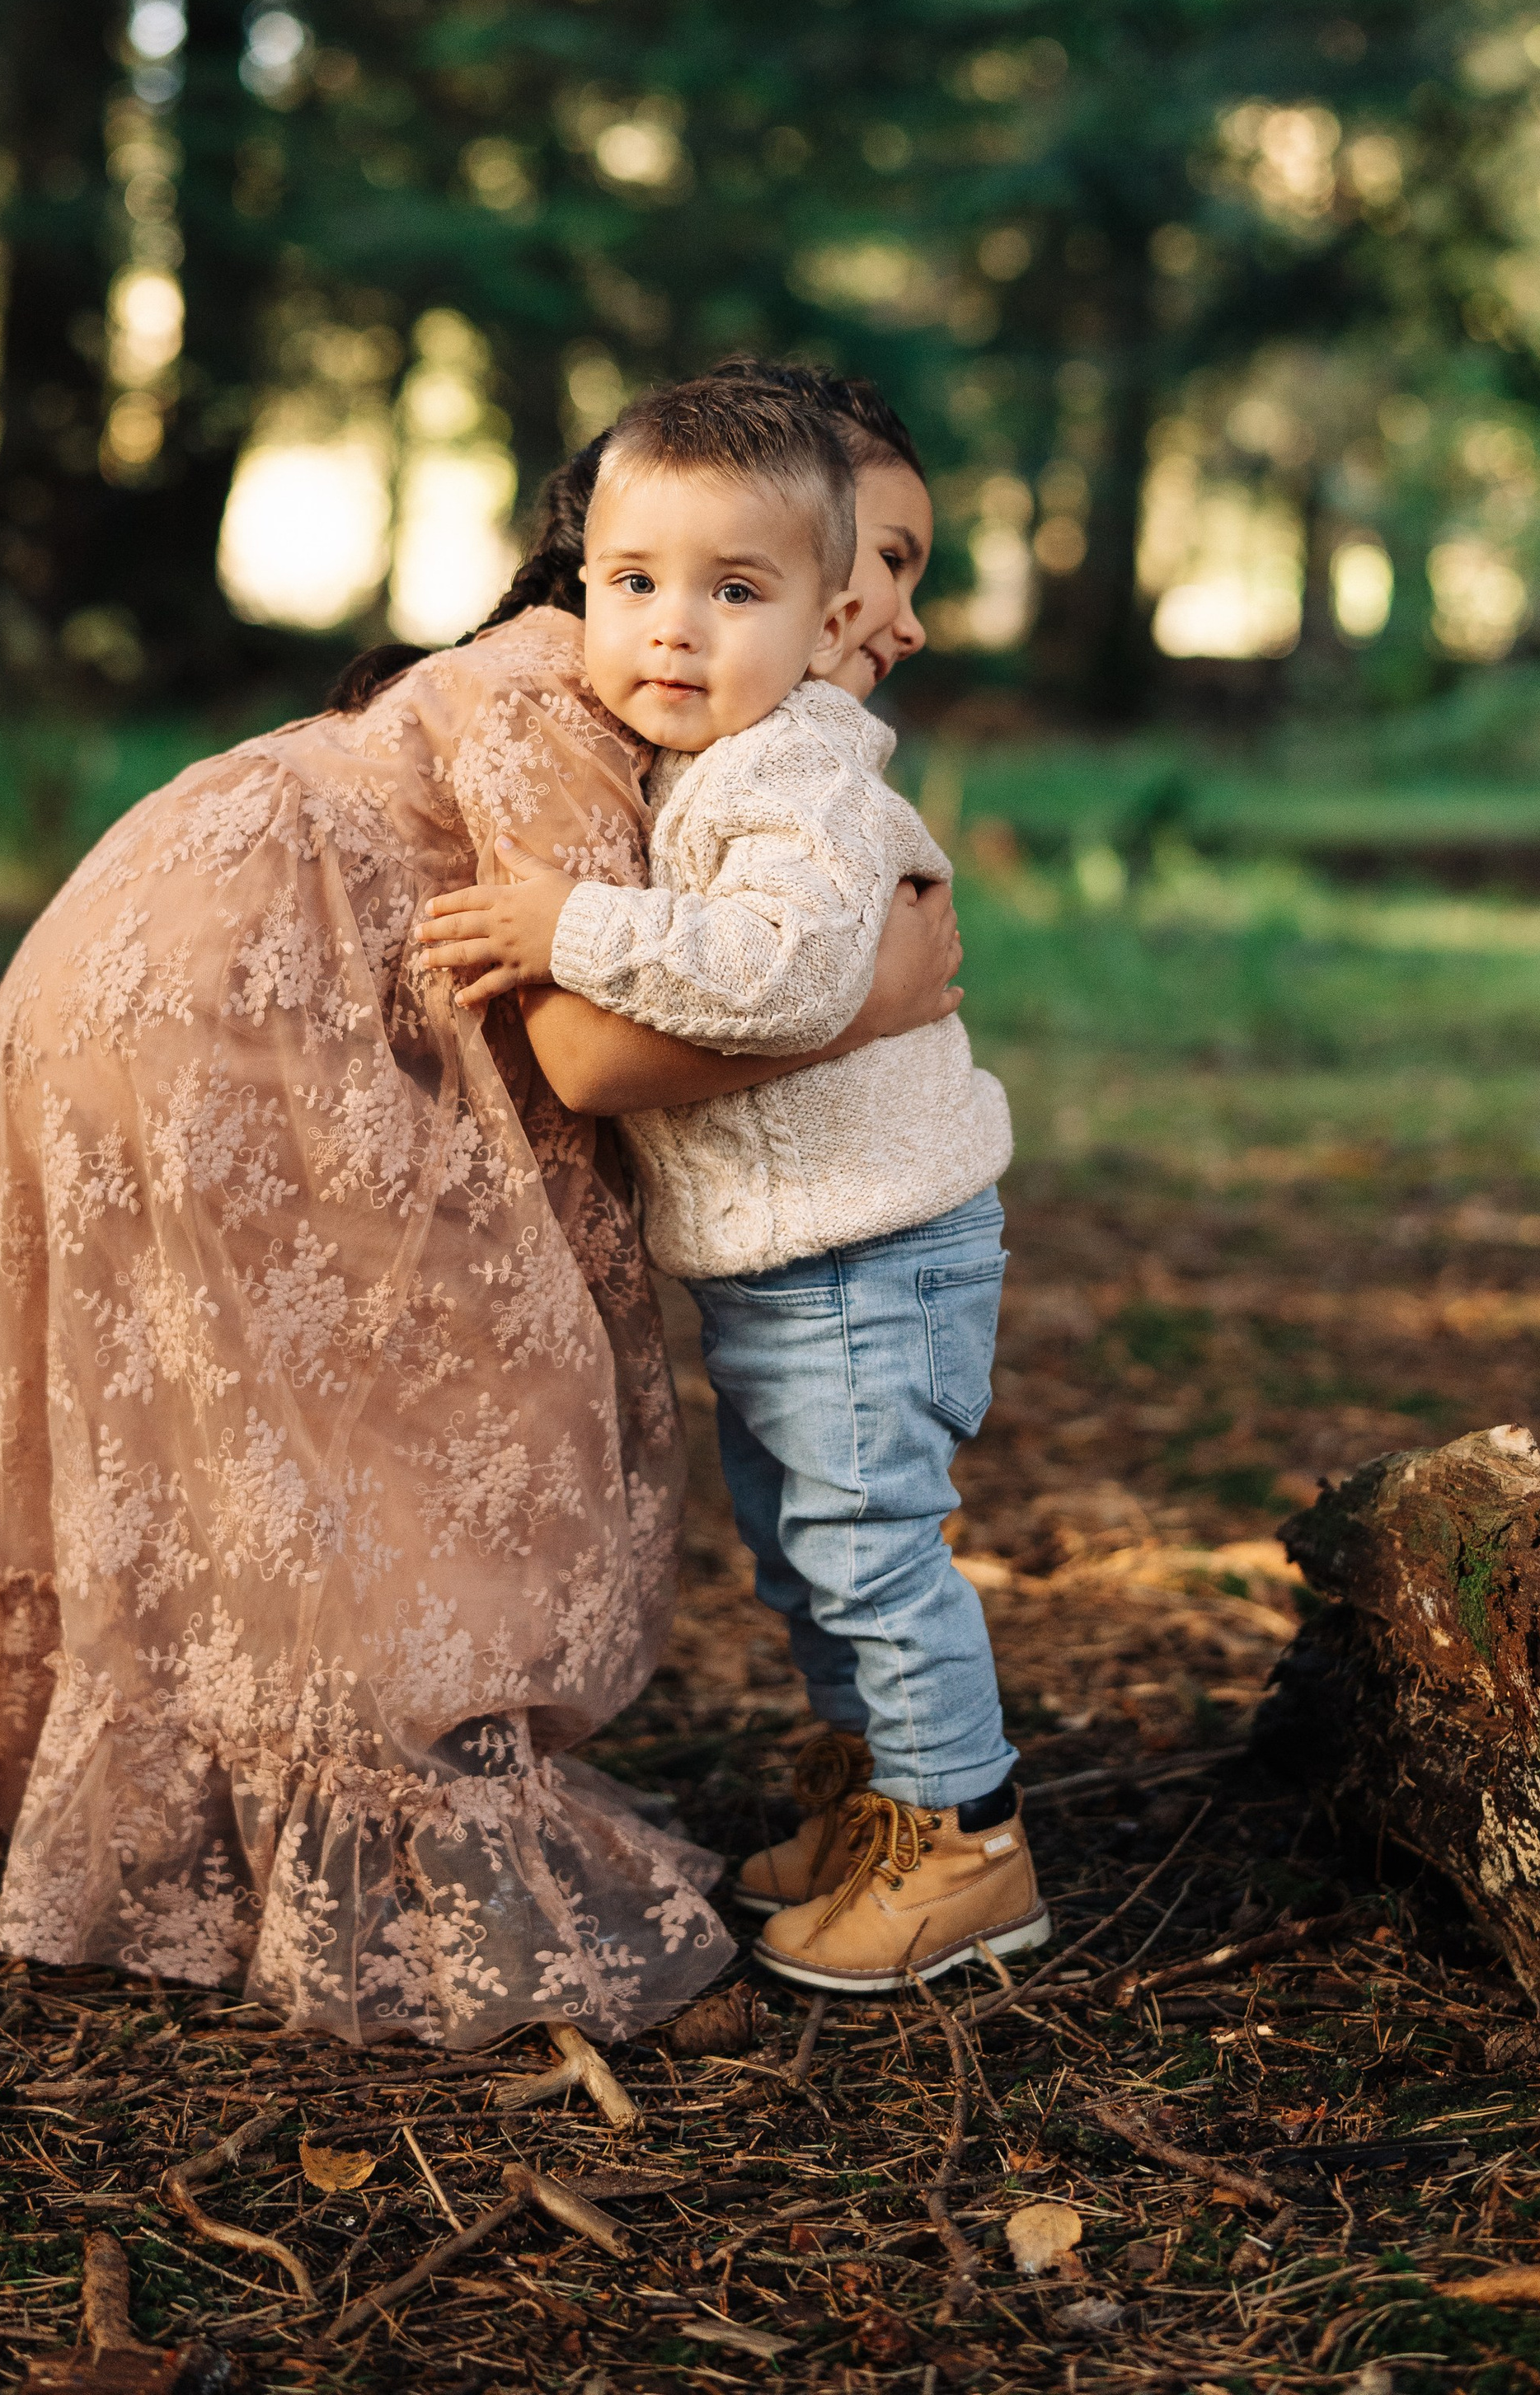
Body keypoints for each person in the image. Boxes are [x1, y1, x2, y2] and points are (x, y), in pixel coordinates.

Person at [0, 435, 963, 2051]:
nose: (902, 616)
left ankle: (160, 1786)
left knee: (244, 1410)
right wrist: (879, 1000)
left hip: (140, 948)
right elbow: (584, 1055)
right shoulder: (566, 699)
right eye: (889, 558)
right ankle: (404, 1832)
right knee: (441, 1394)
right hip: (242, 989)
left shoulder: (606, 700)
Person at [419, 377, 1045, 1996]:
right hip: (798, 1263)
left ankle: (964, 1846)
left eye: (735, 593)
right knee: (803, 1554)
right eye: (637, 586)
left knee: (871, 1556)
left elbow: (778, 972)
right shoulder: (729, 759)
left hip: (861, 1259)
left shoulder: (797, 770)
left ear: (824, 613)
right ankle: (878, 1807)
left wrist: (568, 931)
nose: (675, 633)